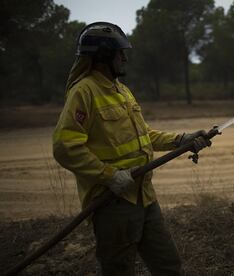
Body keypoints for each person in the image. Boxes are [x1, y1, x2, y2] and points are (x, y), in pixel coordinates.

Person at [53, 22, 211, 275]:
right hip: (113, 203)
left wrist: (181, 139)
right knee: (119, 269)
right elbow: (64, 146)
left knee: (168, 265)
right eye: (120, 53)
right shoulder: (84, 92)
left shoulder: (122, 91)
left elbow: (144, 135)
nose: (125, 58)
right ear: (103, 55)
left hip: (144, 196)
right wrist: (110, 176)